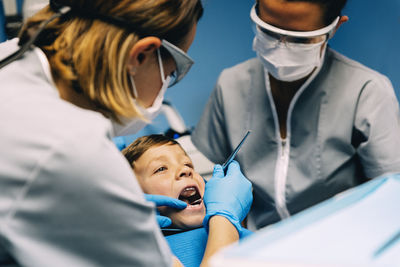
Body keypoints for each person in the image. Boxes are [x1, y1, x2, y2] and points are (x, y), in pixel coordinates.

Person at [0, 1, 253, 266]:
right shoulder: (71, 149)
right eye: (170, 73)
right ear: (141, 55)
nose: (185, 171)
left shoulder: (9, 59)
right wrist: (225, 218)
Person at [191, 0, 400, 230]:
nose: (281, 47)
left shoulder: (367, 92)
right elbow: (216, 181)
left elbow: (388, 200)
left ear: (334, 28)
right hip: (255, 247)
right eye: (269, 32)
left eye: (299, 39)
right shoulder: (231, 84)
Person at [121, 134, 253, 267]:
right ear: (135, 197)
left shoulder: (235, 231)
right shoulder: (144, 254)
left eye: (188, 164)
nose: (185, 170)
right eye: (161, 169)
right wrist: (225, 218)